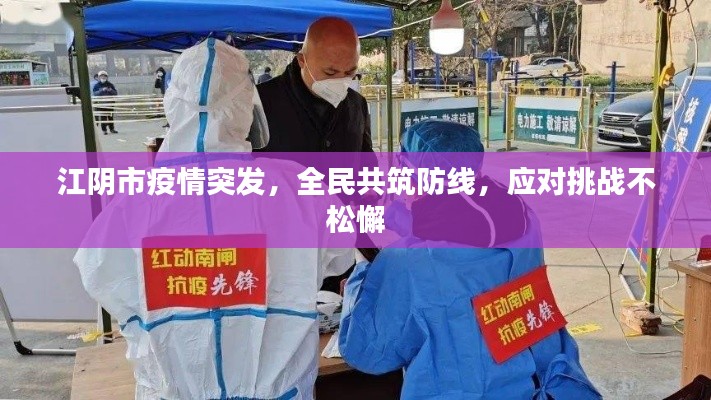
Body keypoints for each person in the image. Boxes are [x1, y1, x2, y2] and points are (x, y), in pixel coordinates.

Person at [74, 38, 353, 400]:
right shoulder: (299, 188)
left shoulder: (134, 203)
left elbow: (99, 275)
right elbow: (341, 255)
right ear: (246, 106)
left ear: (173, 105)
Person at [339, 120, 602, 400]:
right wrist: (415, 225)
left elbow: (367, 353)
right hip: (548, 381)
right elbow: (471, 239)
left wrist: (359, 282)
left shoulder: (407, 261)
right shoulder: (523, 217)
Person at [256, 17, 372, 152]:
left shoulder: (357, 105)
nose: (340, 81)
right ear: (302, 60)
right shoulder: (259, 103)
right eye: (330, 72)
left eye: (350, 72)